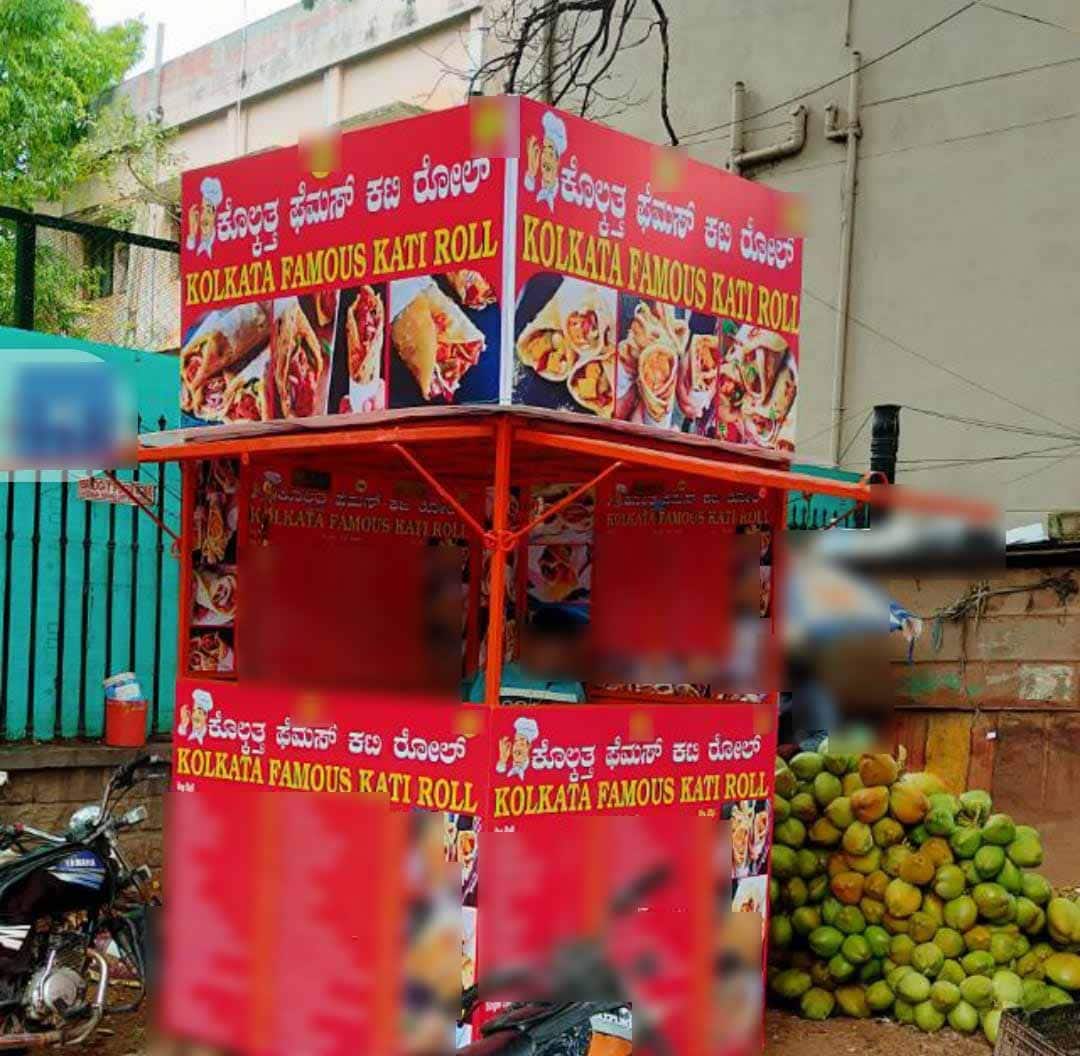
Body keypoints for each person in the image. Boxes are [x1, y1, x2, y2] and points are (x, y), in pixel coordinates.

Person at [464, 605, 587, 705]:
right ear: (529, 644)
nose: (558, 662)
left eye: (565, 655)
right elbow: (478, 716)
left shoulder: (572, 687)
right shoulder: (495, 678)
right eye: (549, 654)